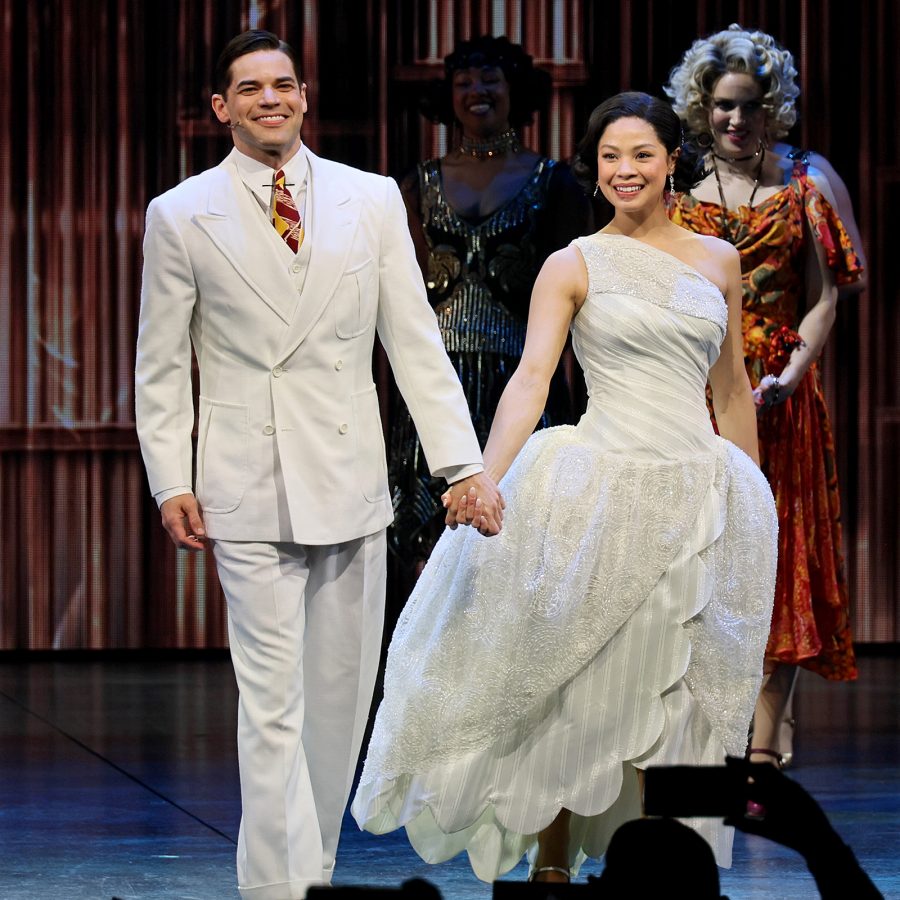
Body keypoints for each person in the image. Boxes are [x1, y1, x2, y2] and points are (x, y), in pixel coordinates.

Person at [351, 92, 778, 882]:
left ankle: (660, 871)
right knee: (579, 680)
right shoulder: (574, 262)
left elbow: (730, 391)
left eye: (642, 155)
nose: (626, 170)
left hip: (694, 493)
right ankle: (550, 866)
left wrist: (751, 498)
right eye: (611, 157)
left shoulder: (719, 261)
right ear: (595, 168)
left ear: (670, 160)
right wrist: (483, 473)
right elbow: (532, 379)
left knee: (672, 688)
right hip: (600, 488)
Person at [134, 29, 503, 900]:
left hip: (348, 478)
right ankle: (273, 889)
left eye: (285, 84)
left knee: (338, 704)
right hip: (243, 481)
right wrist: (171, 478)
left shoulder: (367, 199)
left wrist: (461, 467)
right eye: (251, 88)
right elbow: (160, 362)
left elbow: (414, 343)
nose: (272, 99)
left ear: (303, 98)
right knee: (270, 703)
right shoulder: (181, 212)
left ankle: (315, 875)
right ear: (222, 107)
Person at [665, 25, 865, 773]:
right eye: (722, 106)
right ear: (702, 107)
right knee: (703, 555)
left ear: (771, 107)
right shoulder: (677, 189)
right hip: (697, 392)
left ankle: (762, 741)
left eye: (749, 106)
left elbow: (828, 296)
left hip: (779, 392)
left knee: (777, 558)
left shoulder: (803, 184)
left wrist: (792, 370)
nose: (735, 121)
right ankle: (707, 725)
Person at [388, 35, 594, 571]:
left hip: (525, 378)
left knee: (529, 534)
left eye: (490, 79)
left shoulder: (555, 183)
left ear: (515, 91)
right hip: (435, 382)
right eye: (463, 82)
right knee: (426, 541)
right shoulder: (418, 184)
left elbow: (581, 295)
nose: (476, 91)